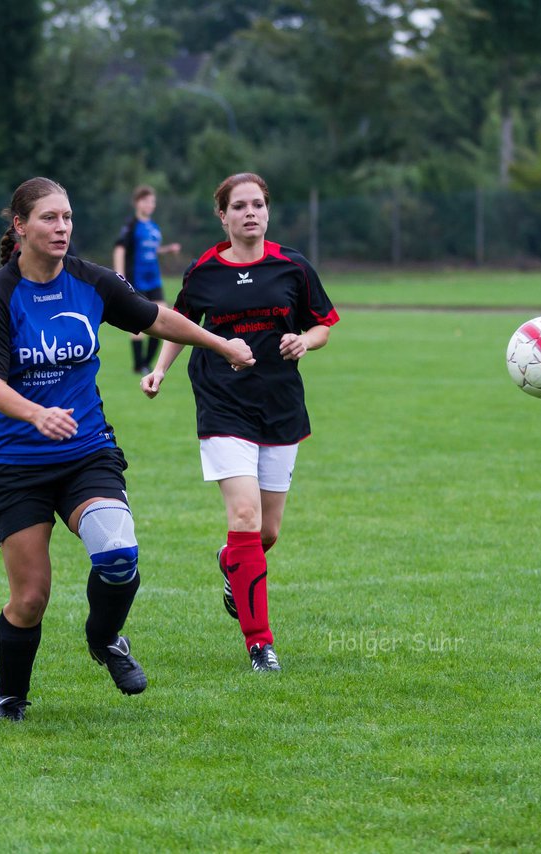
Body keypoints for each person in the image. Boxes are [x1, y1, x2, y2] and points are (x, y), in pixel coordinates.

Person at [0, 177, 255, 722]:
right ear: (21, 227)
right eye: (49, 218)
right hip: (15, 463)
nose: (62, 228)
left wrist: (220, 345)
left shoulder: (90, 281)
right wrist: (36, 413)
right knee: (30, 599)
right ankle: (11, 699)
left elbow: (154, 316)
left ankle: (105, 640)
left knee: (119, 555)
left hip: (85, 451)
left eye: (68, 218)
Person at [141, 172, 339, 673]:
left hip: (279, 404)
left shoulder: (293, 266)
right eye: (240, 206)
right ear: (223, 215)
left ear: (267, 212)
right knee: (245, 518)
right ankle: (260, 644)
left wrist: (305, 341)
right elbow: (180, 325)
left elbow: (322, 325)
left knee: (266, 532)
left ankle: (232, 562)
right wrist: (159, 371)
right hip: (221, 401)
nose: (250, 213)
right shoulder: (203, 270)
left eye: (258, 205)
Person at [113, 185, 181, 374]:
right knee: (138, 323)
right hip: (137, 279)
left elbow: (152, 249)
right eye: (146, 201)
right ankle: (139, 364)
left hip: (154, 280)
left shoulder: (154, 227)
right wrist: (120, 276)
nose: (150, 205)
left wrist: (167, 250)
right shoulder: (131, 225)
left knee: (163, 318)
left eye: (152, 201)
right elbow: (120, 248)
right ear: (137, 203)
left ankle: (146, 363)